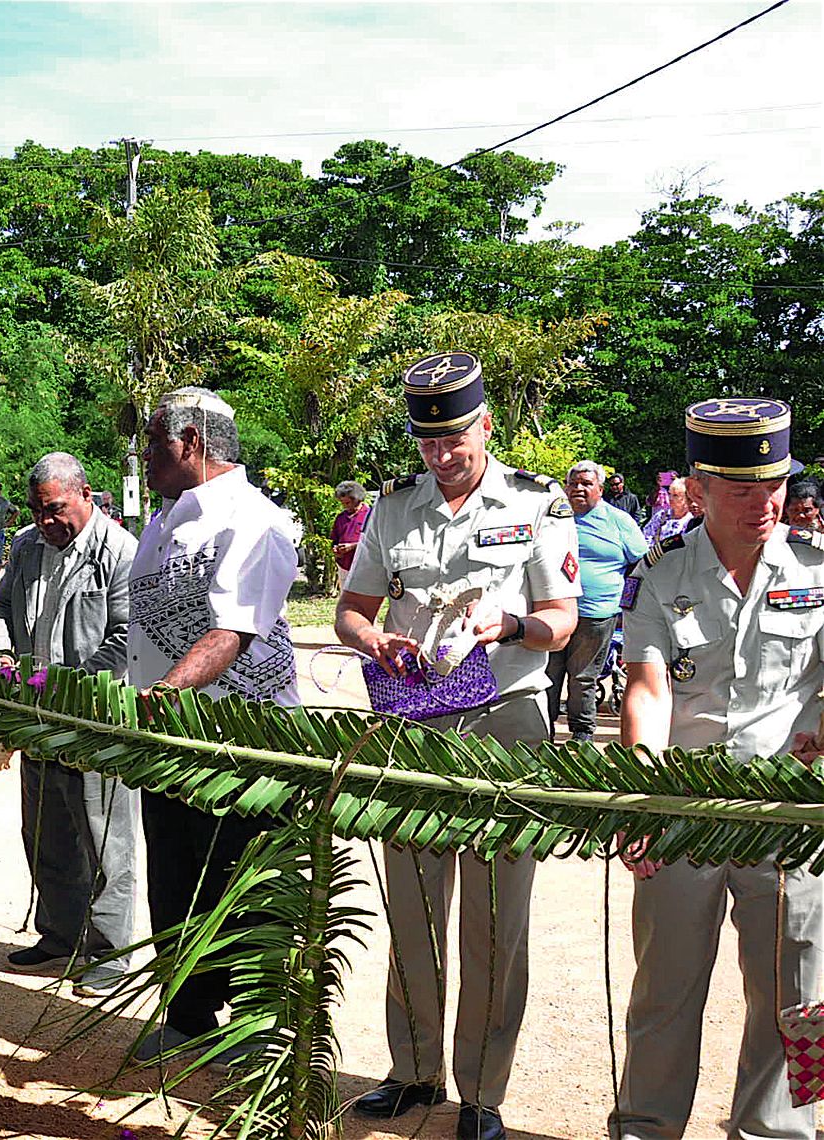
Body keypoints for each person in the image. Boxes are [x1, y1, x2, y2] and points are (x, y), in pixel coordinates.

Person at [335, 352, 579, 1140]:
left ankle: (479, 1092)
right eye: (426, 443)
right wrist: (377, 642)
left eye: (454, 442)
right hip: (414, 721)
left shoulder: (537, 503)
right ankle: (410, 1072)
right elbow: (351, 610)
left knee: (494, 914)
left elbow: (561, 618)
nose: (440, 458)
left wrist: (509, 626)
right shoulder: (392, 509)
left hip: (505, 720)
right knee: (412, 907)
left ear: (484, 427)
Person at [611, 397, 824, 1140]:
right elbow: (646, 689)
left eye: (773, 484)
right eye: (741, 488)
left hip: (787, 822)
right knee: (664, 991)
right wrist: (642, 799)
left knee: (792, 994)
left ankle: (774, 1133)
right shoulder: (659, 573)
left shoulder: (816, 571)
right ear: (698, 487)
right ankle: (645, 1126)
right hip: (685, 816)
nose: (765, 502)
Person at [124, 387, 301, 1065]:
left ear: (190, 441)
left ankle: (258, 1026)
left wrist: (165, 691)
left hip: (242, 740)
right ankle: (190, 1013)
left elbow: (232, 628)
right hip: (169, 736)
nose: (145, 456)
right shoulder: (164, 518)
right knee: (175, 877)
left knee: (245, 882)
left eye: (153, 443)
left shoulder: (252, 520)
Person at [0, 452, 139, 998]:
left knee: (104, 841)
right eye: (38, 511)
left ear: (86, 495)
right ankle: (59, 933)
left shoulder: (119, 552)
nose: (46, 522)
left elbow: (125, 639)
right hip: (34, 716)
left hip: (95, 720)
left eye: (55, 510)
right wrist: (4, 657)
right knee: (45, 830)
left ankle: (110, 955)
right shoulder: (26, 546)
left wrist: (68, 687)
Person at [545, 461, 647, 743]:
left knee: (582, 677)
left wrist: (629, 605)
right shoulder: (551, 517)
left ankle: (582, 734)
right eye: (574, 483)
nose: (578, 488)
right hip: (553, 610)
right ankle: (544, 731)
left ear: (600, 490)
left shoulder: (618, 521)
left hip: (597, 613)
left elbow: (642, 564)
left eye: (586, 484)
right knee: (547, 674)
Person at [331, 480, 371, 573]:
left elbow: (374, 542)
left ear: (357, 500)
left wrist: (353, 546)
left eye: (347, 503)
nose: (345, 506)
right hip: (344, 567)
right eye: (342, 503)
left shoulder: (370, 515)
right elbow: (334, 539)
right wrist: (336, 550)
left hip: (365, 567)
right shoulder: (341, 518)